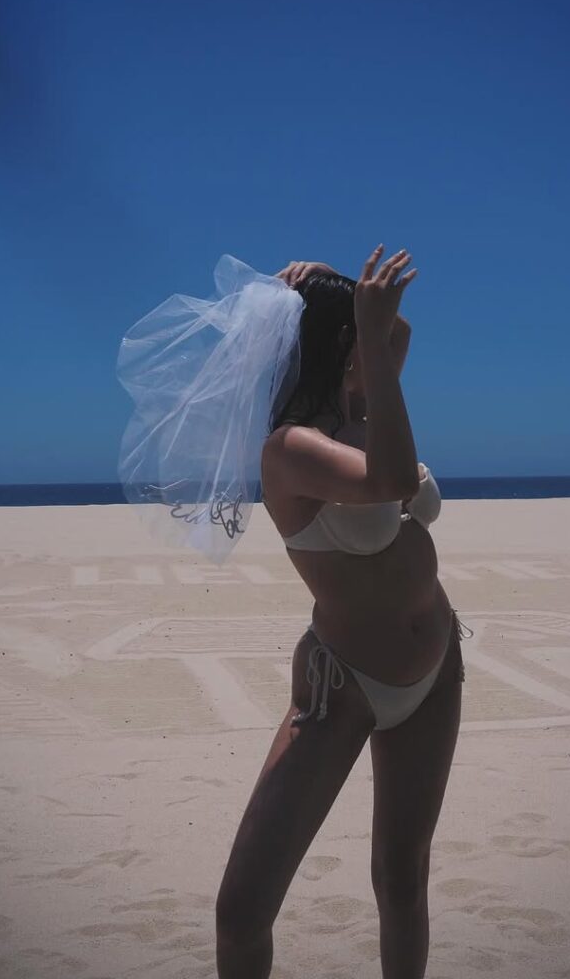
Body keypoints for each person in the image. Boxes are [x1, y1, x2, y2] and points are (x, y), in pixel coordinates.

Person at [214, 246, 466, 979]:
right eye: (357, 333)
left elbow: (399, 333)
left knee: (402, 875)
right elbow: (392, 478)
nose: (373, 343)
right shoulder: (290, 450)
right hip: (344, 685)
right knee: (243, 910)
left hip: (434, 667)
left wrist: (331, 277)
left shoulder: (360, 406)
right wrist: (365, 331)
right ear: (336, 345)